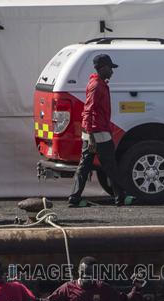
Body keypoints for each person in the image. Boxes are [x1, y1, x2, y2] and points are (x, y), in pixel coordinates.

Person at [68, 54, 133, 208]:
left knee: (84, 166)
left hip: (93, 131)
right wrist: (91, 136)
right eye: (110, 68)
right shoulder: (97, 86)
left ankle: (75, 198)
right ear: (103, 68)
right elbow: (88, 111)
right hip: (99, 133)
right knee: (111, 166)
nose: (112, 71)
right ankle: (121, 198)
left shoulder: (97, 83)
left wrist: (89, 134)